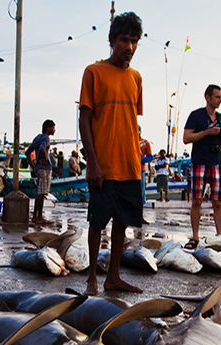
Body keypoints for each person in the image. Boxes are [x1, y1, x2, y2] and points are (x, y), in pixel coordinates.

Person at [79, 11, 145, 295]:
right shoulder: (93, 72)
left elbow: (131, 121)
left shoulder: (136, 78)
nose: (129, 47)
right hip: (103, 165)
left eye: (134, 41)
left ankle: (113, 277)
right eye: (123, 40)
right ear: (111, 40)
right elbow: (84, 119)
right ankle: (92, 278)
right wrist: (92, 163)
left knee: (122, 222)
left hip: (130, 165)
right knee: (98, 222)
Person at [183, 84, 221, 248]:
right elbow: (186, 138)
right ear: (208, 97)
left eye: (220, 97)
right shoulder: (196, 116)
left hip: (217, 163)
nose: (220, 100)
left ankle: (220, 237)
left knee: (218, 202)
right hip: (199, 162)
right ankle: (195, 237)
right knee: (196, 200)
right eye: (217, 97)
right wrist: (207, 132)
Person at [25, 120, 56, 223]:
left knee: (40, 192)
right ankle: (39, 217)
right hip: (44, 168)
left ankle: (35, 216)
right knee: (42, 193)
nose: (54, 130)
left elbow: (28, 152)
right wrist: (45, 158)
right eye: (53, 128)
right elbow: (42, 148)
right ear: (48, 128)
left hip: (38, 168)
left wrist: (33, 165)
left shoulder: (37, 138)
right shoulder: (46, 138)